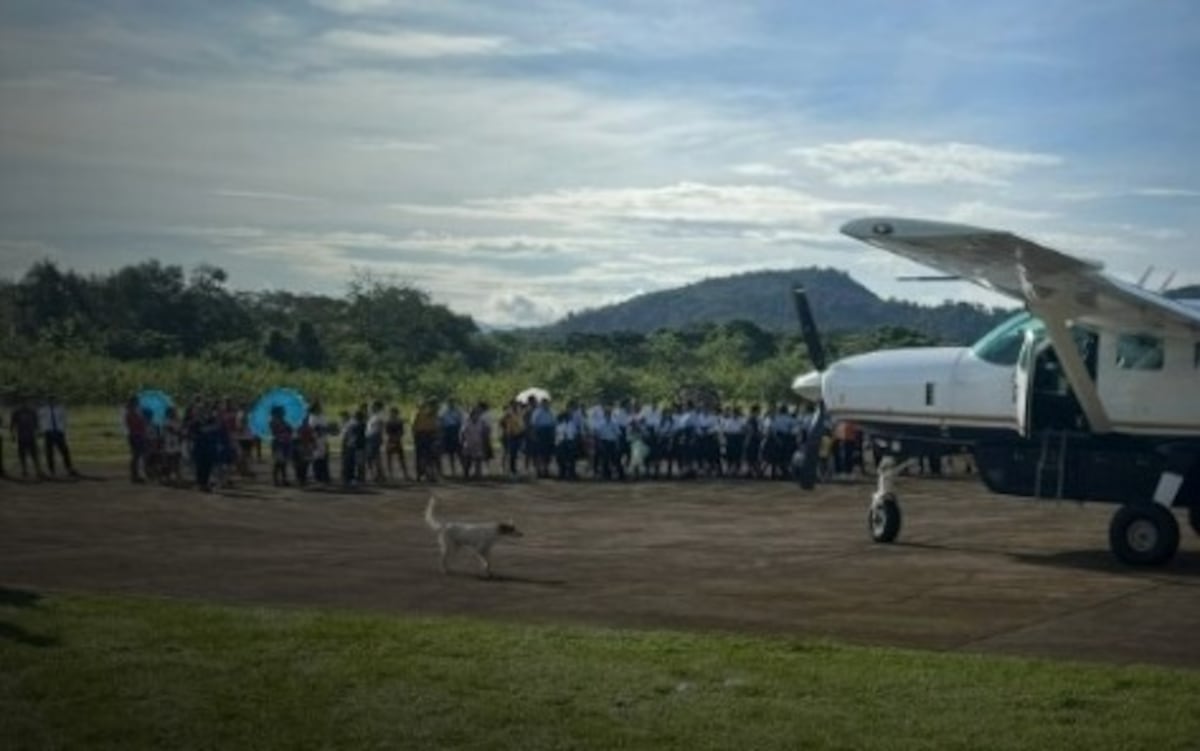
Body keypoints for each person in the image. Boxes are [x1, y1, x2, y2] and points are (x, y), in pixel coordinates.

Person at [39, 394, 78, 477]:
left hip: (58, 432)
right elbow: (40, 421)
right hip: (48, 432)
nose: (52, 401)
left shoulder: (60, 409)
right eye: (50, 400)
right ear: (48, 401)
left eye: (53, 399)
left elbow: (64, 420)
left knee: (64, 451)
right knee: (49, 452)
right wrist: (42, 430)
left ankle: (69, 468)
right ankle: (51, 470)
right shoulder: (43, 410)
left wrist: (63, 430)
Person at [11, 397, 44, 480]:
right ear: (20, 402)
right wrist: (13, 435)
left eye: (26, 402)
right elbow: (13, 424)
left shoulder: (32, 411)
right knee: (22, 454)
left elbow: (37, 422)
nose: (25, 403)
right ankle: (24, 470)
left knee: (34, 454)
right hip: (21, 436)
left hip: (31, 436)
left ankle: (38, 470)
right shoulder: (17, 412)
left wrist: (39, 431)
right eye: (23, 402)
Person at [123, 397, 148, 483]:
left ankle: (136, 475)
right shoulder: (130, 413)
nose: (138, 404)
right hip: (135, 435)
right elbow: (134, 424)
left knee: (138, 455)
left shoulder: (134, 412)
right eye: (137, 403)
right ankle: (135, 475)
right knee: (136, 455)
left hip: (137, 435)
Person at [268, 405, 293, 486]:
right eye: (282, 411)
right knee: (278, 462)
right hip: (278, 443)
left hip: (285, 443)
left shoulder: (283, 421)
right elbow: (275, 432)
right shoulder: (273, 421)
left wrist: (289, 429)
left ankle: (284, 479)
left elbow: (289, 430)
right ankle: (275, 480)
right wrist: (284, 429)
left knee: (284, 463)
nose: (283, 412)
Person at [385, 406, 411, 481]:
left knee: (400, 458)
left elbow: (401, 432)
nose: (393, 414)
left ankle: (405, 474)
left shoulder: (395, 421)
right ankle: (391, 474)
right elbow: (387, 432)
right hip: (392, 440)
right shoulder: (391, 421)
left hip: (394, 440)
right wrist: (396, 437)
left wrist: (396, 437)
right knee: (391, 458)